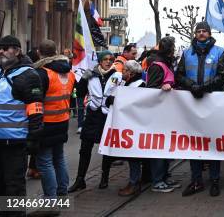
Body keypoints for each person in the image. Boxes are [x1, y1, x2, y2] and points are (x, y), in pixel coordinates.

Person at [176, 21, 224, 197]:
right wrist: (192, 86)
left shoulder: (220, 52)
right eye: (198, 31)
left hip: (212, 104)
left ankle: (214, 180)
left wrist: (204, 87)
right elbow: (179, 75)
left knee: (213, 143)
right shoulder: (186, 52)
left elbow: (223, 76)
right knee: (194, 144)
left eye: (204, 31)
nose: (201, 34)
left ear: (209, 33)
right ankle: (196, 180)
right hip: (193, 104)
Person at [0, 35, 44, 210]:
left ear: (17, 51)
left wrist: (33, 139)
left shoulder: (28, 75)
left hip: (15, 143)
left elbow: (36, 111)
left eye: (6, 47)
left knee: (14, 188)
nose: (1, 51)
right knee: (1, 186)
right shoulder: (0, 73)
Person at [33, 40, 75, 198]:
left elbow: (36, 99)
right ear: (56, 51)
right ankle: (62, 191)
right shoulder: (69, 72)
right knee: (59, 157)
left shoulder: (42, 73)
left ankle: (50, 198)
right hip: (63, 120)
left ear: (39, 53)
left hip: (46, 123)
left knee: (44, 161)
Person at [68, 50, 114, 192]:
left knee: (106, 149)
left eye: (110, 59)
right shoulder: (91, 75)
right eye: (105, 59)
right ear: (100, 61)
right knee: (85, 149)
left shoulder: (116, 75)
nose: (108, 62)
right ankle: (80, 179)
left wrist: (114, 99)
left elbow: (122, 93)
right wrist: (83, 79)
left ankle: (104, 178)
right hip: (93, 116)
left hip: (108, 117)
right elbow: (79, 93)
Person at [145, 36, 180, 193]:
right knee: (159, 148)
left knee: (167, 147)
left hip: (167, 114)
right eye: (173, 48)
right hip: (158, 115)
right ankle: (157, 180)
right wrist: (162, 87)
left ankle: (165, 176)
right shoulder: (157, 66)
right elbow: (150, 90)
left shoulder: (166, 63)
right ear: (169, 50)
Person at [115, 60, 147, 196]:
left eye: (125, 71)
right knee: (131, 155)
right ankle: (134, 181)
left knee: (133, 155)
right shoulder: (129, 83)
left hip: (135, 124)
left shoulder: (139, 85)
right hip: (130, 124)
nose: (123, 73)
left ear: (131, 73)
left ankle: (134, 183)